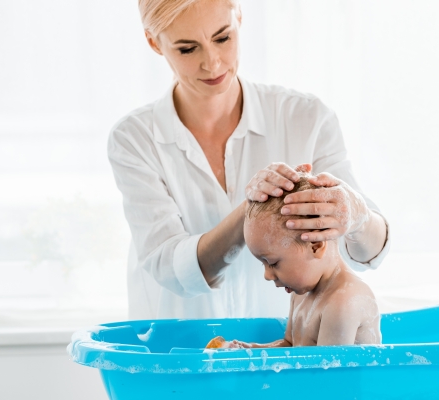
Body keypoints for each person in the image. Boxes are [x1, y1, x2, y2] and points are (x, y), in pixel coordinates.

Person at [108, 0, 390, 320]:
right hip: (181, 353)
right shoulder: (134, 138)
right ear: (154, 42)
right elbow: (169, 268)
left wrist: (356, 214)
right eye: (188, 49)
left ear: (239, 17)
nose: (212, 63)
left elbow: (367, 253)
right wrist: (252, 210)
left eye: (223, 37)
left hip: (284, 351)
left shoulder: (306, 118)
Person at [226, 175, 381, 347]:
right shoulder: (300, 293)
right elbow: (290, 346)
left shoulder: (343, 302)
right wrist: (253, 350)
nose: (267, 275)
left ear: (315, 245)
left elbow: (327, 372)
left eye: (272, 263)